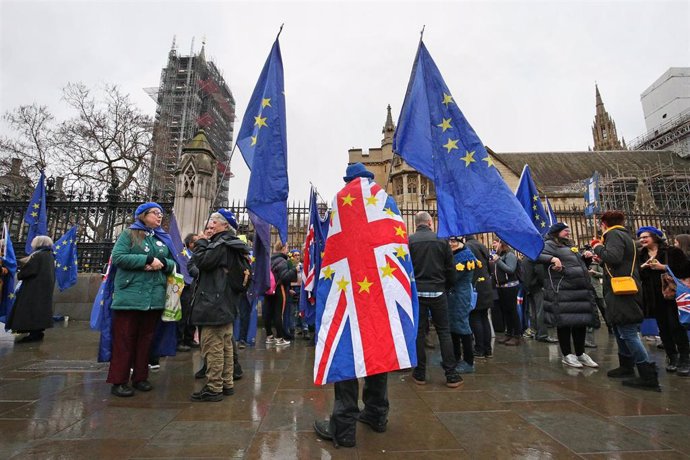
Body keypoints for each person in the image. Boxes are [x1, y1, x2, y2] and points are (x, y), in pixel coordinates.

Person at [106, 203, 177, 397]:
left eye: (161, 213)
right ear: (142, 215)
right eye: (155, 213)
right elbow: (118, 257)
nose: (159, 216)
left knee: (146, 340)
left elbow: (173, 263)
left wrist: (161, 264)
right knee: (124, 339)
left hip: (154, 297)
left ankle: (140, 377)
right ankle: (119, 380)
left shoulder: (163, 238)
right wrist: (145, 261)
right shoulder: (130, 234)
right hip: (130, 295)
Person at [591, 211, 660, 391]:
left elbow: (613, 257)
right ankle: (626, 366)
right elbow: (618, 262)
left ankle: (648, 374)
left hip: (622, 291)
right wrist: (601, 259)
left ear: (604, 223)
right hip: (622, 288)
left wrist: (598, 246)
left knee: (628, 332)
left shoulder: (613, 234)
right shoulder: (624, 236)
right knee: (621, 329)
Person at [190, 209, 250, 402]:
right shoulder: (231, 244)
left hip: (213, 303)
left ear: (225, 226)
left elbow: (202, 261)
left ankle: (214, 387)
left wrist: (200, 243)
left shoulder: (221, 244)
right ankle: (226, 383)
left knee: (213, 346)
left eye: (213, 224)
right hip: (225, 302)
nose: (209, 228)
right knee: (225, 345)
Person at [409, 211, 462, 387]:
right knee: (444, 332)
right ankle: (451, 374)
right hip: (438, 292)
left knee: (419, 334)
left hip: (418, 293)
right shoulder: (441, 240)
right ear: (430, 223)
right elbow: (450, 269)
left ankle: (420, 373)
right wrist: (448, 286)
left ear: (417, 224)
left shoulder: (409, 241)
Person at [537, 223, 598, 369]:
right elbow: (538, 255)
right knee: (564, 323)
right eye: (566, 231)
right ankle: (567, 354)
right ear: (557, 232)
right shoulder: (549, 244)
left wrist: (586, 258)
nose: (568, 233)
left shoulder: (569, 246)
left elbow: (576, 264)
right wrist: (552, 259)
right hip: (563, 289)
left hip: (579, 290)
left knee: (580, 322)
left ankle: (580, 353)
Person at [637, 226, 690, 376]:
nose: (642, 240)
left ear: (655, 237)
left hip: (672, 295)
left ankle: (685, 358)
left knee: (675, 325)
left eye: (645, 236)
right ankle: (672, 357)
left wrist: (664, 267)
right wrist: (643, 268)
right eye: (640, 238)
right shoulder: (641, 255)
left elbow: (686, 270)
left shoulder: (672, 252)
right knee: (663, 328)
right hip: (654, 296)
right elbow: (638, 275)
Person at [7, 235, 55, 343]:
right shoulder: (49, 255)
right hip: (43, 288)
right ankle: (37, 331)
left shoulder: (37, 255)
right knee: (39, 310)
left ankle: (33, 333)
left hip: (33, 288)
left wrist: (21, 272)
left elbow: (29, 271)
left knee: (31, 310)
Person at [447, 237, 477, 373]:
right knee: (453, 326)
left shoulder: (465, 256)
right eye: (449, 241)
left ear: (461, 241)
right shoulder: (454, 255)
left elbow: (453, 277)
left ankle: (468, 361)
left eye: (454, 241)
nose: (451, 244)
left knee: (462, 326)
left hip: (460, 296)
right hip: (452, 297)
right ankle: (455, 357)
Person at [466, 235, 494, 359]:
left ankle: (479, 348)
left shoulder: (467, 247)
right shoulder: (482, 247)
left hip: (476, 286)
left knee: (475, 317)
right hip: (486, 285)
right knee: (484, 317)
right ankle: (488, 349)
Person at [264, 241, 297, 346]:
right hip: (279, 289)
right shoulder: (282, 261)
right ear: (283, 249)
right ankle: (279, 337)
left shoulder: (270, 260)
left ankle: (269, 336)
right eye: (287, 248)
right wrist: (294, 270)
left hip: (269, 290)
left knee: (268, 313)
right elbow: (284, 277)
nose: (287, 250)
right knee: (279, 314)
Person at [491, 239, 522, 346]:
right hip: (501, 287)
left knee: (512, 311)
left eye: (496, 243)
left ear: (502, 244)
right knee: (505, 311)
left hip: (510, 287)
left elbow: (511, 269)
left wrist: (498, 261)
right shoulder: (500, 255)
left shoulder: (510, 255)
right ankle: (509, 333)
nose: (494, 245)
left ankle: (517, 335)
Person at [521, 254, 558, 344]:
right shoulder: (534, 257)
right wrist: (543, 284)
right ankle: (542, 335)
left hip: (529, 287)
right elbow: (539, 272)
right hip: (537, 287)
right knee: (540, 311)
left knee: (533, 311)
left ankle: (534, 331)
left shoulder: (525, 258)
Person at [177, 233, 200, 352]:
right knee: (183, 314)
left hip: (196, 286)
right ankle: (179, 340)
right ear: (190, 243)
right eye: (196, 242)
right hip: (185, 287)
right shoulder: (184, 254)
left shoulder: (198, 255)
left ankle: (189, 338)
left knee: (192, 314)